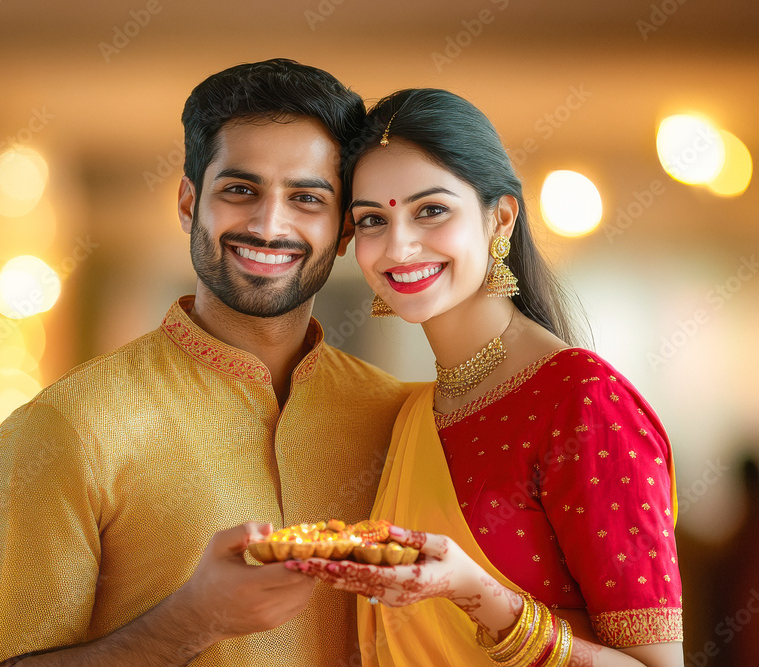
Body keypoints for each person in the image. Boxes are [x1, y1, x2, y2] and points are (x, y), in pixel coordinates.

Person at [0, 59, 415, 667]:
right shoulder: (68, 427)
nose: (268, 224)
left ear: (343, 229)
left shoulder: (400, 418)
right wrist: (193, 619)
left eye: (307, 198)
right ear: (188, 204)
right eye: (240, 190)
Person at [287, 89, 683, 666]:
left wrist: (477, 595)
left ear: (500, 217)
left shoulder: (581, 398)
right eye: (373, 219)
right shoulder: (412, 412)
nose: (399, 246)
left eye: (431, 210)